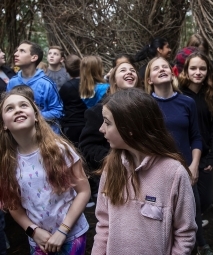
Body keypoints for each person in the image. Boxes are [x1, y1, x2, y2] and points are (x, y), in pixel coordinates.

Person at [92, 88, 197, 254]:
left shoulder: (174, 173)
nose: (101, 129)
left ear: (130, 128)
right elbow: (104, 223)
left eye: (107, 122)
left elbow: (185, 234)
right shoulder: (111, 167)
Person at [0, 90, 91, 254]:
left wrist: (63, 230)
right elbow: (13, 206)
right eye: (10, 108)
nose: (18, 110)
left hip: (71, 234)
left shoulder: (60, 149)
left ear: (35, 116)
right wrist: (33, 231)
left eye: (23, 105)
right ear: (4, 124)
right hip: (38, 240)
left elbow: (83, 191)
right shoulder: (6, 163)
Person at [145, 57, 213, 255]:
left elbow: (196, 137)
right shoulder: (146, 105)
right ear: (149, 79)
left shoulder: (187, 102)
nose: (161, 69)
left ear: (172, 72)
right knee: (161, 216)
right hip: (156, 172)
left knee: (192, 213)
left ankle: (198, 246)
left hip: (185, 169)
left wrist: (194, 165)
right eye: (155, 68)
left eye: (165, 67)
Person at [79, 61, 142, 205]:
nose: (129, 72)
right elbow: (88, 146)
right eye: (123, 70)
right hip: (114, 179)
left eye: (132, 70)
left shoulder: (146, 107)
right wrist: (116, 161)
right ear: (113, 80)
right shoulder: (97, 112)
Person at [179, 51, 213, 220]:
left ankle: (195, 226)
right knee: (187, 201)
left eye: (202, 69)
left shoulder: (211, 95)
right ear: (186, 70)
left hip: (204, 158)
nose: (198, 72)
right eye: (193, 68)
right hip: (182, 155)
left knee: (205, 200)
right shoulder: (179, 94)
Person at [7, 40, 63, 134]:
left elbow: (58, 111)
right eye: (17, 51)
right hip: (20, 136)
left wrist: (33, 116)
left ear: (34, 57)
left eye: (22, 51)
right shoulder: (12, 82)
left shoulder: (46, 84)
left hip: (45, 134)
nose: (16, 54)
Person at [59, 54, 87, 147]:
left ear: (66, 70)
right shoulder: (89, 85)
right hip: (86, 123)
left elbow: (61, 104)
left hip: (70, 124)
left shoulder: (65, 87)